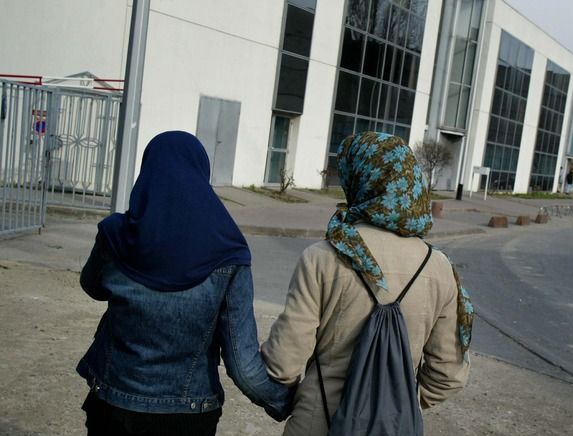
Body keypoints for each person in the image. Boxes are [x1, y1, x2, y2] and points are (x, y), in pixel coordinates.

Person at [77, 131, 293, 436]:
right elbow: (242, 364)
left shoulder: (115, 235)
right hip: (187, 415)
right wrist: (285, 402)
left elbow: (92, 286)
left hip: (112, 405)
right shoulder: (228, 251)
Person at [262, 132, 474, 435]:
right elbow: (448, 375)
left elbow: (283, 364)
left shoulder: (322, 257)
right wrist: (393, 403)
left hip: (318, 421)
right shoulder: (438, 267)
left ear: (357, 178)